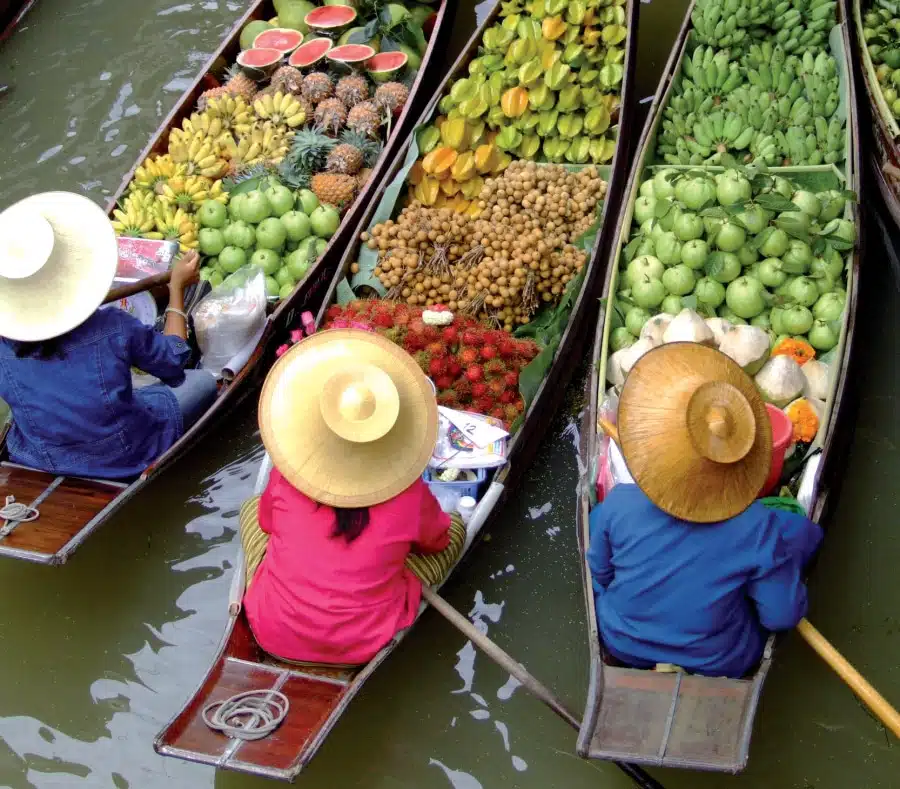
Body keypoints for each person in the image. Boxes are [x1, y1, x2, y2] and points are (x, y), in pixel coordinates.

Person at [587, 342, 823, 679]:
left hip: (622, 641)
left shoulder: (620, 503)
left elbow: (599, 573)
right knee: (800, 536)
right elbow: (780, 616)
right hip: (718, 659)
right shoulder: (757, 526)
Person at [239, 327, 466, 666]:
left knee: (251, 508)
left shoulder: (286, 479)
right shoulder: (409, 496)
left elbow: (266, 523)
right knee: (456, 530)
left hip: (272, 631)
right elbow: (437, 541)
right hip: (364, 644)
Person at [0, 191, 218, 479]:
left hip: (38, 453)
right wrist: (177, 289)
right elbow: (174, 362)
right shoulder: (112, 326)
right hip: (125, 453)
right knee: (202, 380)